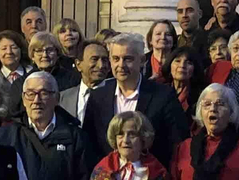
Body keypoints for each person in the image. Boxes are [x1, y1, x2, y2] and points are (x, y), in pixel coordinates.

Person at [82, 32, 192, 166]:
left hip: (151, 179)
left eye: (128, 59)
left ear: (141, 60)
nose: (121, 65)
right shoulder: (98, 96)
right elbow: (88, 144)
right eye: (116, 59)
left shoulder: (163, 96)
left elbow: (178, 144)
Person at [60, 39, 111, 124]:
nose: (101, 65)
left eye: (105, 60)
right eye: (94, 59)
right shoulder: (63, 98)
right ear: (78, 64)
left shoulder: (115, 96)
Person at [164, 46, 207, 113]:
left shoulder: (201, 97)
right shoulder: (160, 91)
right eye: (178, 61)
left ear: (195, 69)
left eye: (188, 63)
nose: (182, 65)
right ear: (170, 65)